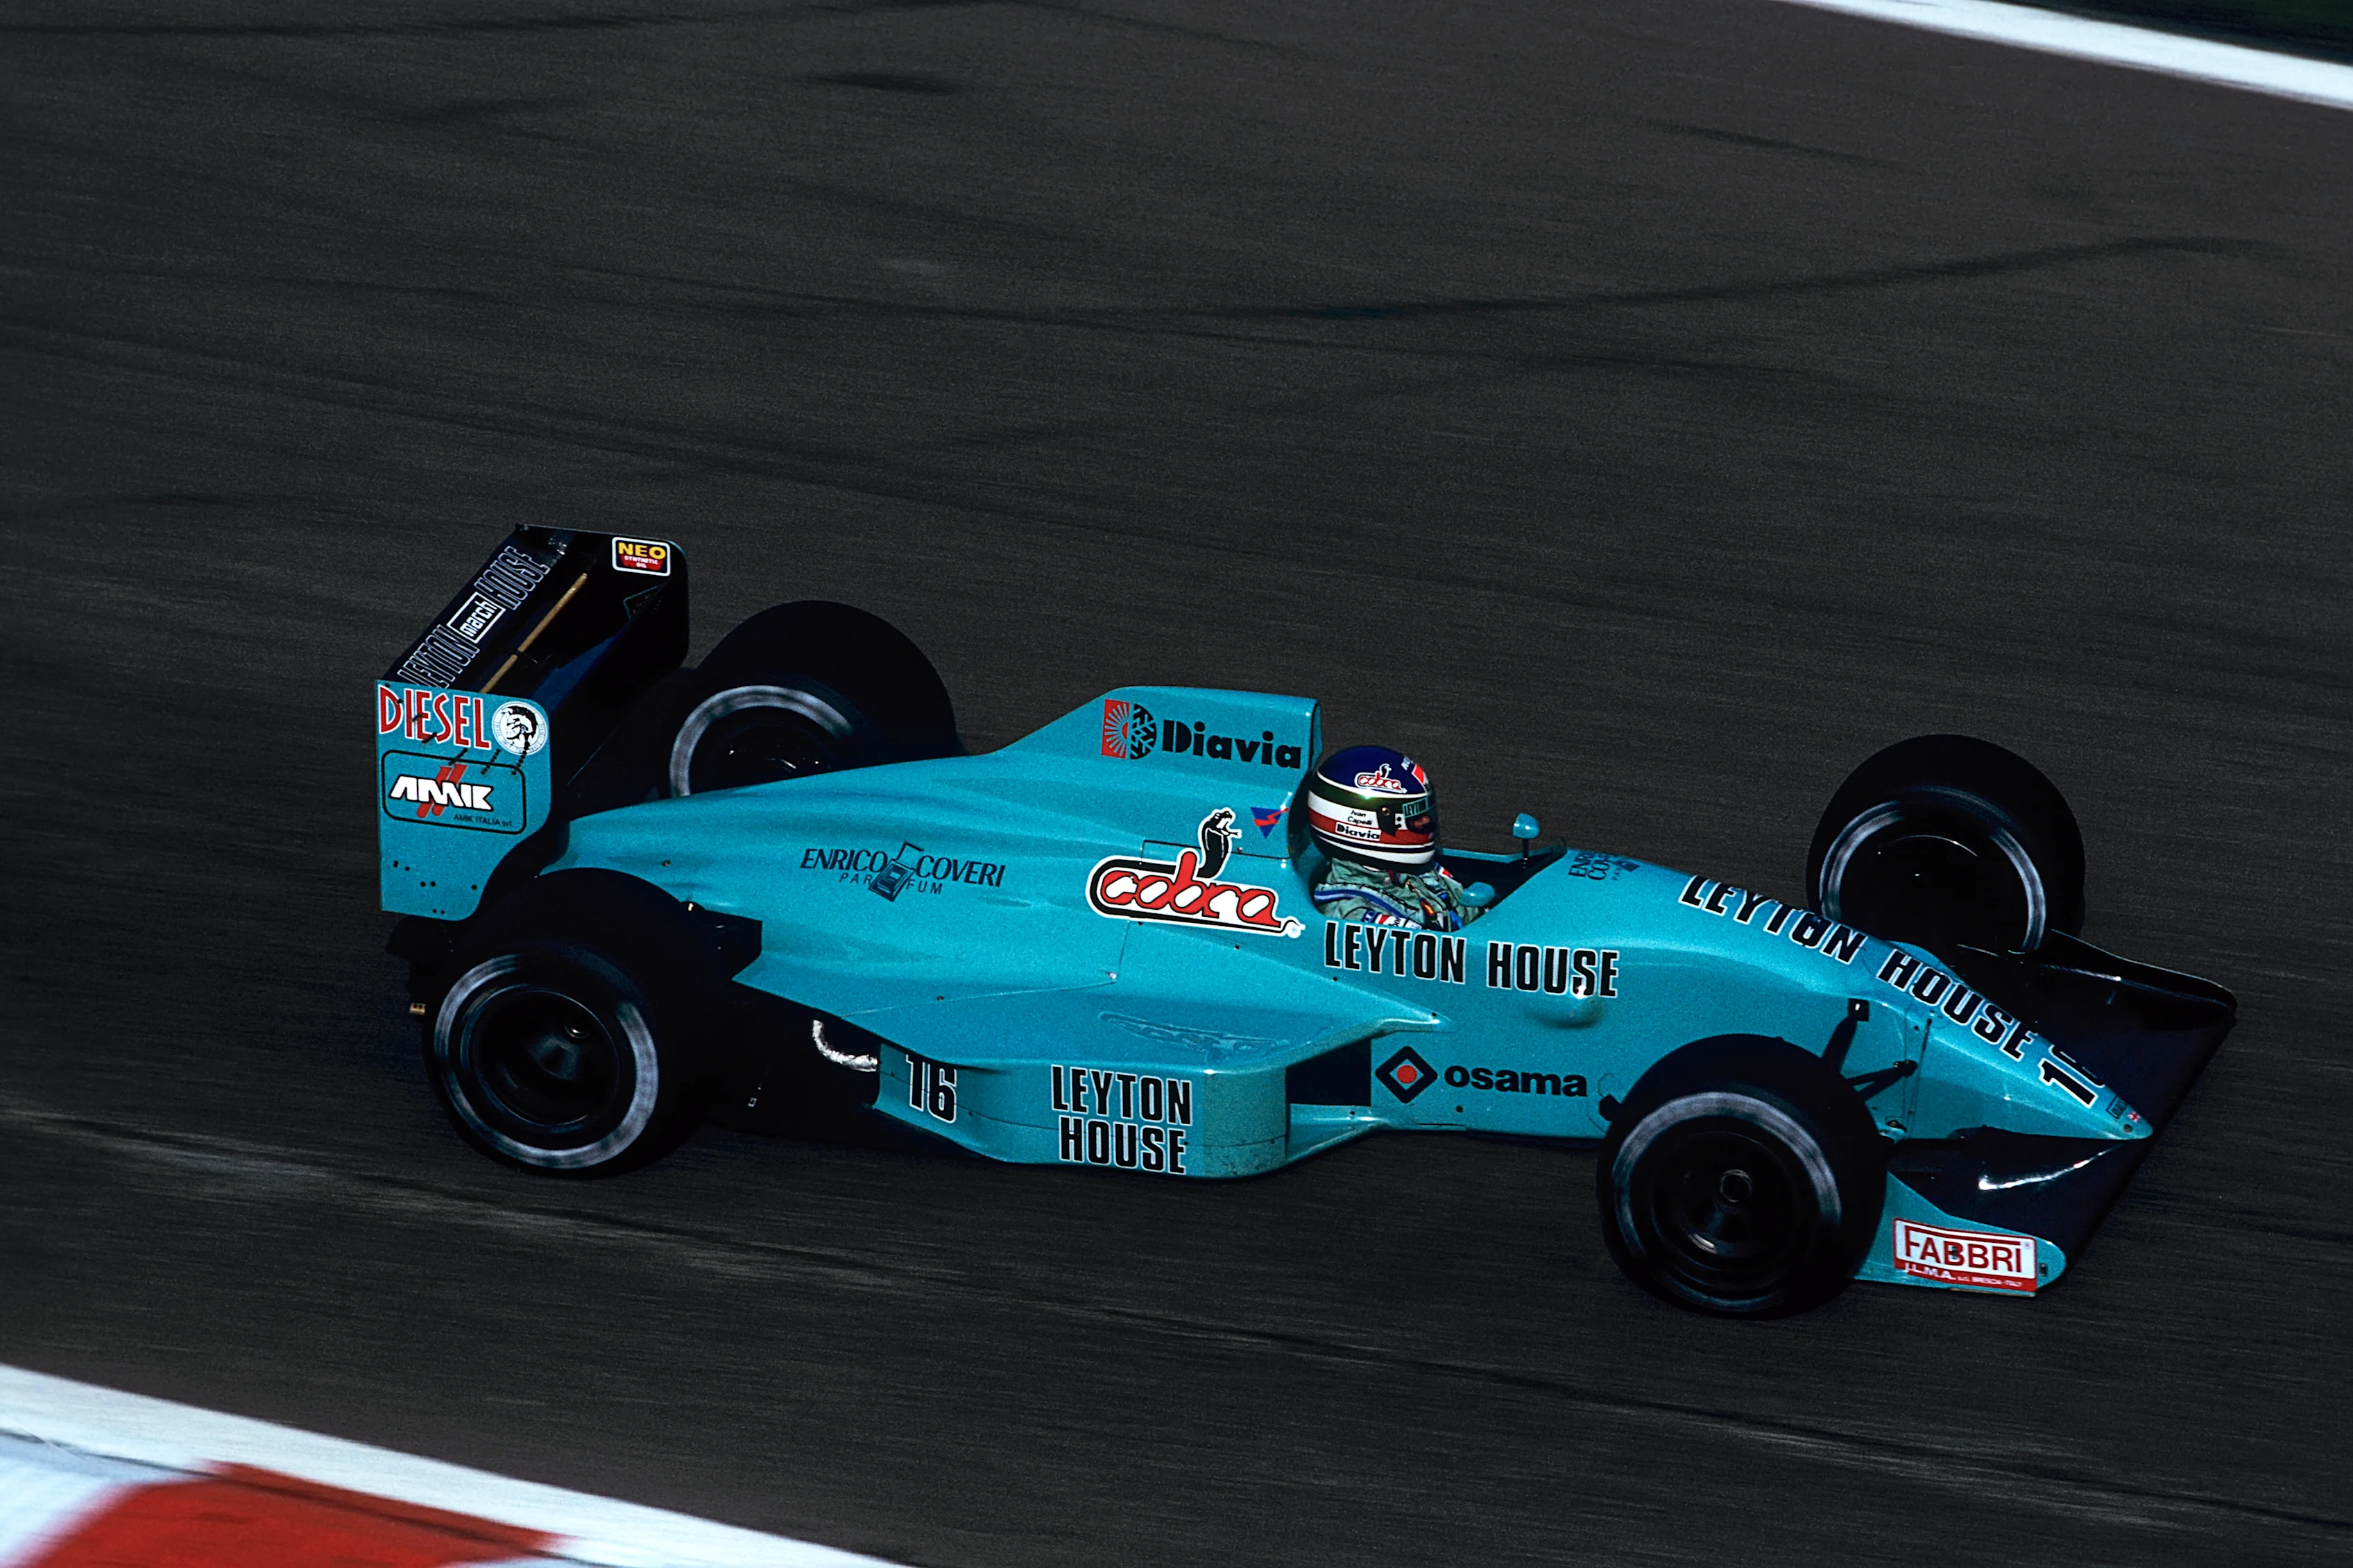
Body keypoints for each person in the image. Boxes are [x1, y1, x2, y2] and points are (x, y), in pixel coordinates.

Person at [1306, 746, 1482, 930]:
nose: (1426, 820)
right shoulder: (1355, 915)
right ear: (1365, 823)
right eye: (1413, 815)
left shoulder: (1417, 872)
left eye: (1425, 810)